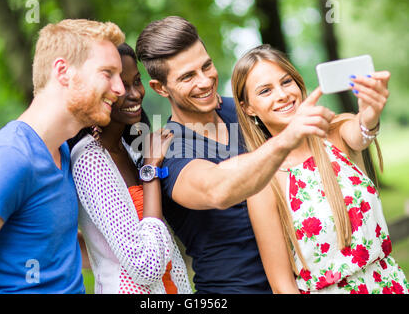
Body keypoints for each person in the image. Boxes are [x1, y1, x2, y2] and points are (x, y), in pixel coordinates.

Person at [135, 16, 336, 293]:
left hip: (307, 282)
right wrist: (283, 142)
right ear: (160, 88)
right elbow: (218, 190)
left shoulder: (244, 111)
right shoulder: (168, 149)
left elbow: (324, 135)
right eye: (187, 76)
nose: (205, 82)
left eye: (206, 66)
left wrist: (365, 124)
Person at [0, 19, 126, 293]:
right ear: (63, 71)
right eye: (108, 73)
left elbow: (45, 248)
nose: (120, 89)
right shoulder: (10, 157)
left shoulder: (62, 151)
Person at [232, 44, 408, 294]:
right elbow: (282, 285)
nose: (282, 94)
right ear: (248, 108)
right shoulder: (263, 181)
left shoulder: (335, 132)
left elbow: (361, 133)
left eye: (286, 82)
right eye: (265, 91)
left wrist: (370, 116)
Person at [69, 43, 192, 294]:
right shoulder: (89, 160)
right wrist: (150, 170)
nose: (135, 93)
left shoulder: (129, 146)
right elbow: (145, 267)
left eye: (136, 81)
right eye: (122, 86)